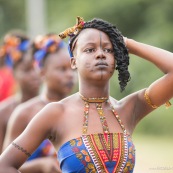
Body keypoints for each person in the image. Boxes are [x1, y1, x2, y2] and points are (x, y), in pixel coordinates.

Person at [0, 16, 173, 173]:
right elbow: (4, 165)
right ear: (74, 62)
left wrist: (126, 43)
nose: (100, 54)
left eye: (109, 50)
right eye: (90, 50)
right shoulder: (55, 113)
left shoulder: (130, 108)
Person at [3, 34, 75, 173]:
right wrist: (42, 166)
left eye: (72, 69)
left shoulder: (80, 108)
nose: (69, 75)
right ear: (41, 71)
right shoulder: (24, 113)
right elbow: (4, 164)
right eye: (62, 69)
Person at [0, 31, 41, 153]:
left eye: (37, 67)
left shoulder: (54, 106)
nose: (35, 74)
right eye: (27, 70)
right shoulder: (3, 113)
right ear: (13, 72)